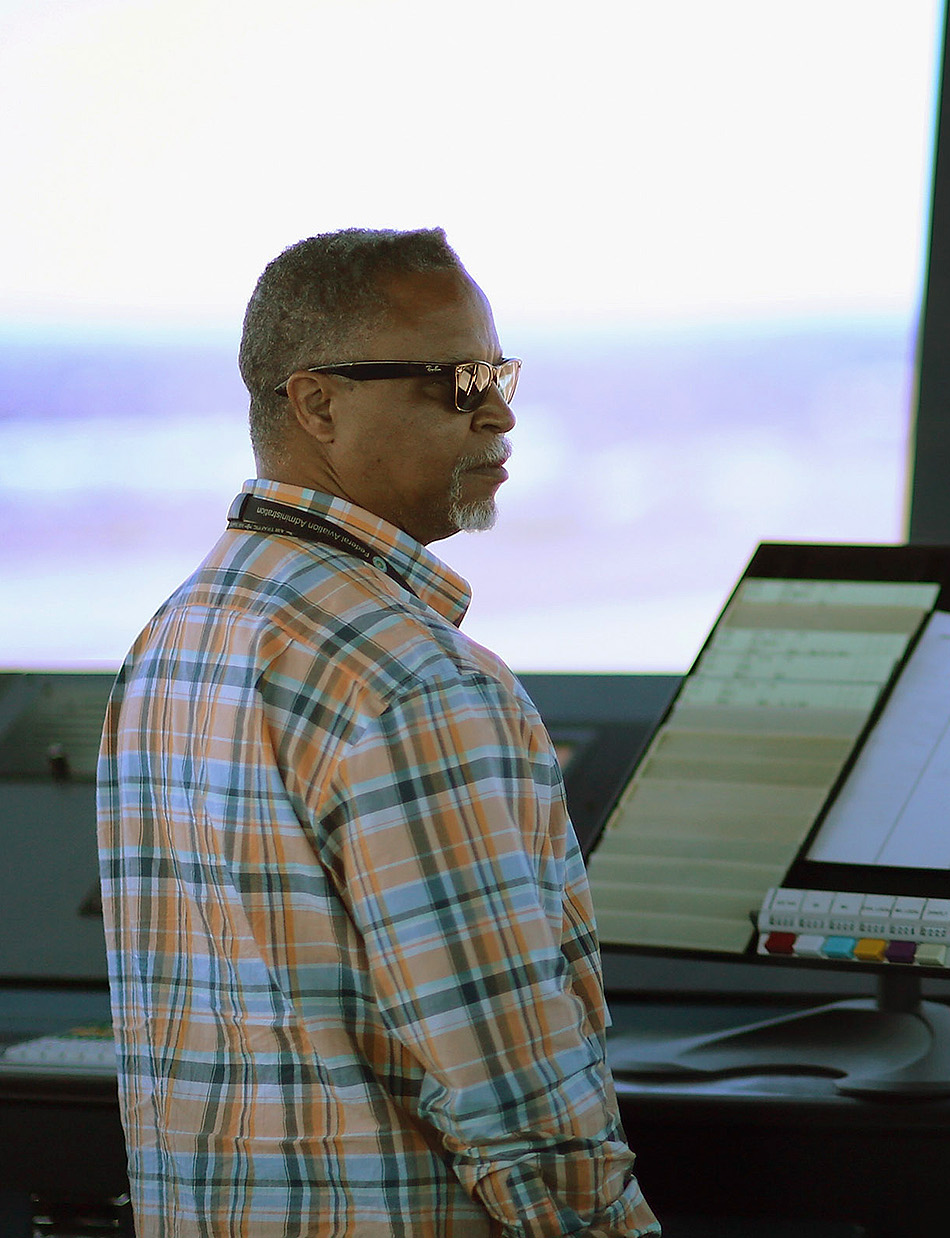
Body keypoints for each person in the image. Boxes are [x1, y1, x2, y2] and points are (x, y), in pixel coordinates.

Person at [96, 228, 658, 1237]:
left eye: (496, 370)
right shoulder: (413, 680)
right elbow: (515, 1090)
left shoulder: (175, 638)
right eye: (454, 379)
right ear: (317, 403)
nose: (499, 410)